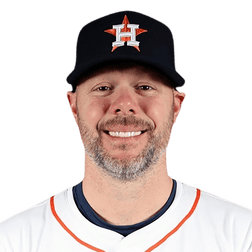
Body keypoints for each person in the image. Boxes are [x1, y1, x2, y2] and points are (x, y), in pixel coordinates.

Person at [0, 9, 252, 252]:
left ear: (176, 107)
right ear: (74, 106)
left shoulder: (241, 235)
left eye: (144, 87)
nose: (124, 105)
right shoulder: (13, 241)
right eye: (103, 88)